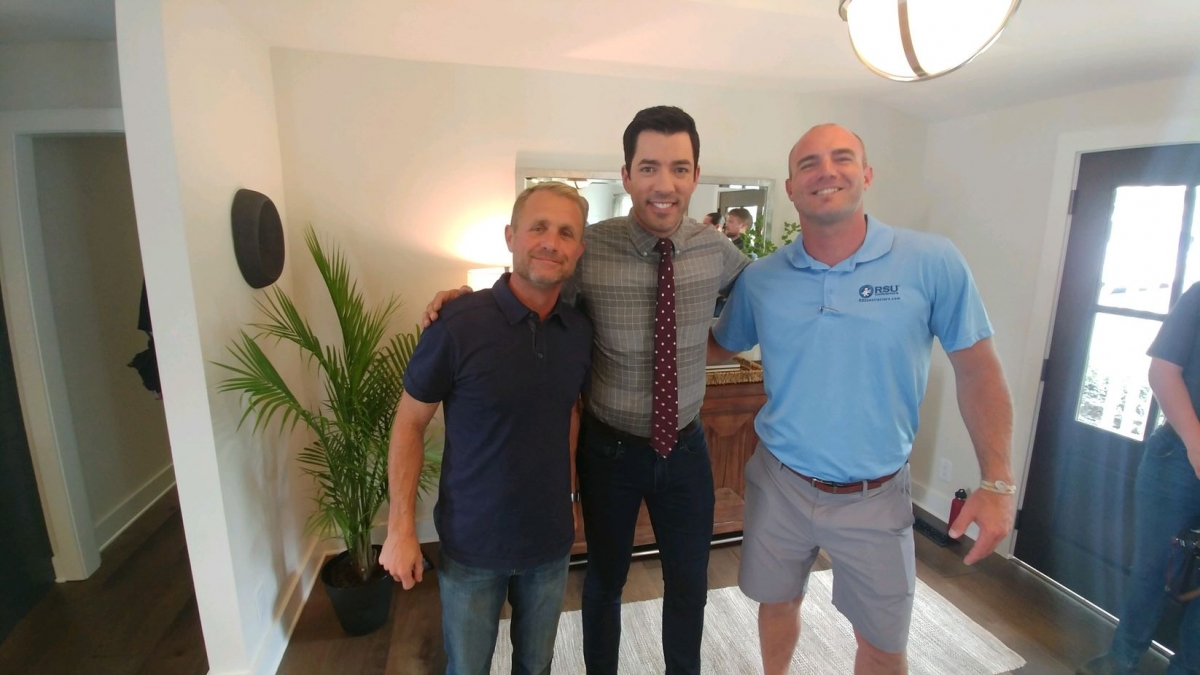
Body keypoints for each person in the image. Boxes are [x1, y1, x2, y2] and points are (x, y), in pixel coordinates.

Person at [424, 106, 749, 675]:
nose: (664, 184)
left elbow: (766, 297)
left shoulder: (717, 250)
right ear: (627, 175)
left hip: (687, 448)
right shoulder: (588, 248)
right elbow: (534, 295)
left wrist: (717, 346)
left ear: (696, 175)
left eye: (679, 168)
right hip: (609, 452)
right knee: (604, 582)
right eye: (648, 167)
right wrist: (465, 301)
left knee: (689, 584)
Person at [708, 123, 1016, 675]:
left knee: (883, 644)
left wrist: (997, 481)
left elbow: (978, 371)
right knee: (776, 603)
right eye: (808, 163)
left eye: (842, 158)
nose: (826, 171)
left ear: (866, 174)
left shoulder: (931, 260)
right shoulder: (762, 279)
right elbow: (717, 345)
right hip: (779, 482)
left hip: (876, 493)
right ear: (790, 187)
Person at [381, 182, 593, 675]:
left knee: (537, 666)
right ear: (511, 236)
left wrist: (572, 497)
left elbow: (569, 413)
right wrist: (400, 529)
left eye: (566, 233)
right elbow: (409, 423)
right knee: (468, 668)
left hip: (549, 542)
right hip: (472, 545)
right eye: (538, 228)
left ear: (579, 250)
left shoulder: (579, 332)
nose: (551, 242)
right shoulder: (457, 323)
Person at [1077, 283, 1200, 675]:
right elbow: (1163, 371)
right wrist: (1196, 444)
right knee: (1154, 568)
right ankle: (1123, 656)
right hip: (1179, 454)